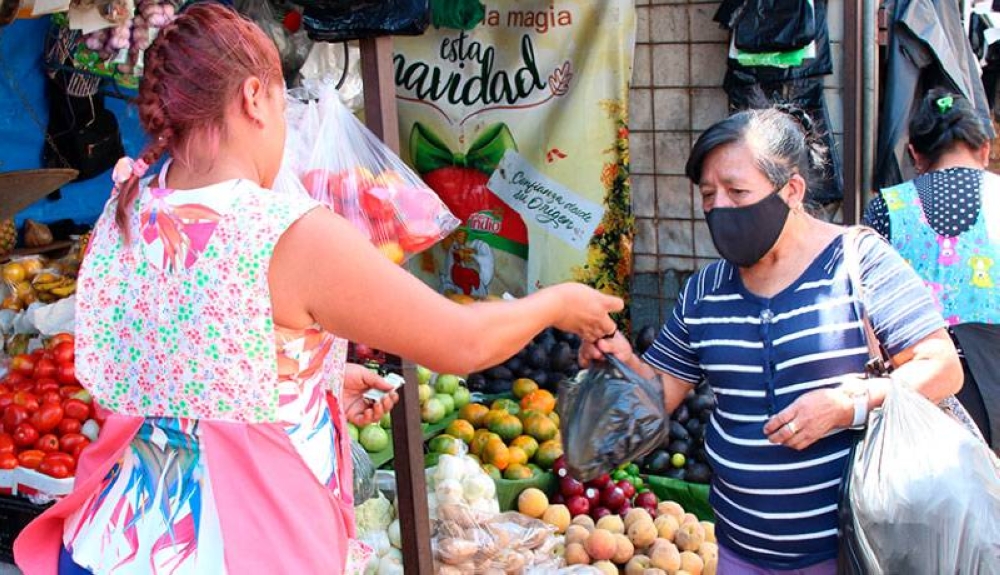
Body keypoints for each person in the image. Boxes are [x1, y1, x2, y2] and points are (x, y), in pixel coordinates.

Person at [14, 5, 623, 574]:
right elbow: (460, 343)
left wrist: (314, 380)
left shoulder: (128, 208)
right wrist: (558, 302)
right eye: (284, 107)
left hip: (110, 540)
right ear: (254, 97)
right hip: (238, 549)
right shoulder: (285, 231)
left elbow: (185, 357)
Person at [581, 106, 962, 574]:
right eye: (708, 195)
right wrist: (618, 361)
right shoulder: (705, 291)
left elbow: (942, 366)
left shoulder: (857, 261)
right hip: (740, 550)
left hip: (851, 552)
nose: (720, 207)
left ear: (792, 190)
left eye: (737, 191)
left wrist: (848, 405)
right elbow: (657, 396)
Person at [865, 88, 999, 450]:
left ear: (915, 155)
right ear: (985, 148)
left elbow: (866, 304)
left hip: (920, 383)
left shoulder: (886, 208)